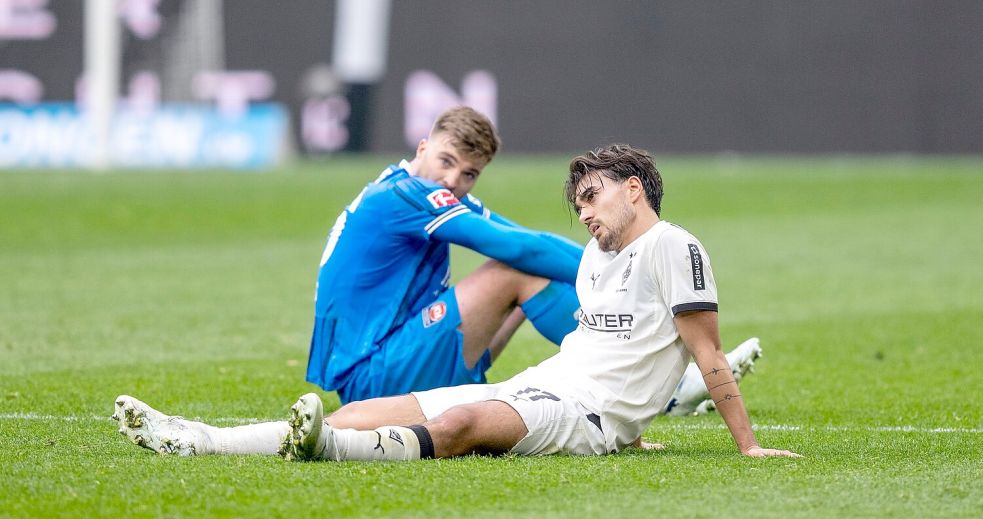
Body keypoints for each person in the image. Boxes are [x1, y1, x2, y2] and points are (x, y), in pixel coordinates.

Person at [113, 144, 798, 460]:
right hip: (542, 383)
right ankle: (199, 439)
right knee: (357, 412)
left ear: (633, 189)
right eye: (577, 202)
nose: (582, 213)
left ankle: (325, 451)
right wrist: (642, 411)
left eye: (590, 197)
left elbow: (705, 349)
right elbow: (603, 344)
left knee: (465, 419)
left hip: (580, 416)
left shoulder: (676, 247)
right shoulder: (595, 259)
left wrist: (749, 446)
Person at [304, 105, 758, 416]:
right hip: (375, 376)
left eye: (469, 174)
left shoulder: (417, 190)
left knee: (526, 273)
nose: (454, 180)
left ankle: (638, 381)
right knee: (514, 271)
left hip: (395, 356)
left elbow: (520, 236)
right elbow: (520, 251)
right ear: (422, 148)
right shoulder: (406, 196)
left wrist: (614, 262)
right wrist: (619, 268)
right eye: (445, 161)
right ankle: (663, 388)